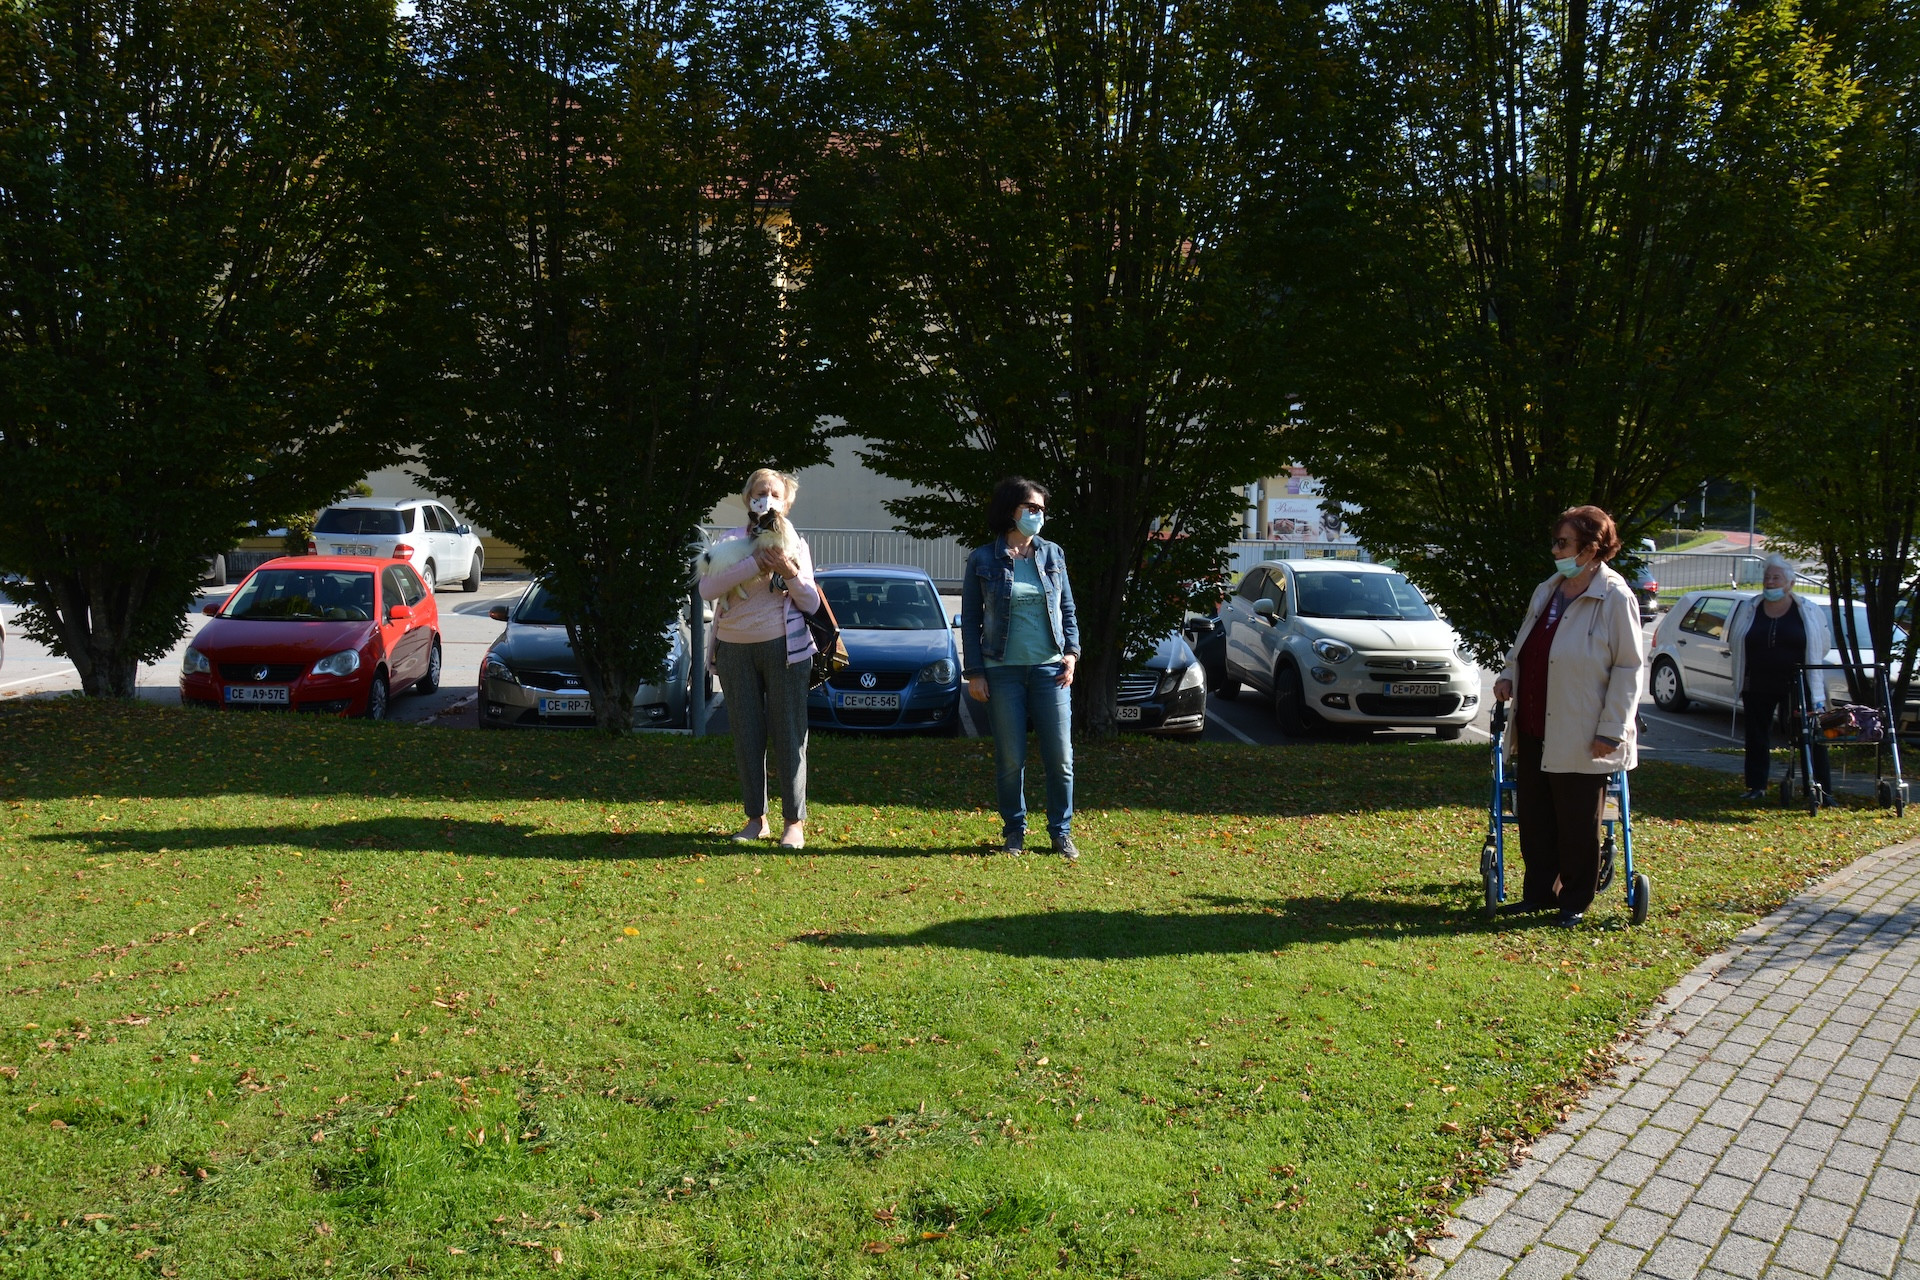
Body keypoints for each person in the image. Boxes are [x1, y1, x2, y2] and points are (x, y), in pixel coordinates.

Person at [1492, 506, 1646, 927]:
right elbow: (1524, 645)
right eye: (1555, 541)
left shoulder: (1615, 597)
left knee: (1578, 824)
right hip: (1536, 723)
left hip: (1584, 730)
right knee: (1536, 817)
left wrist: (1612, 730)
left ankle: (1575, 900)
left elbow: (1630, 668)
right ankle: (1539, 894)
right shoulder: (1549, 589)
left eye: (1564, 543)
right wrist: (1507, 675)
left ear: (1592, 548)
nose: (1555, 550)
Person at [961, 477, 1080, 860]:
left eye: (1042, 510)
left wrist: (1072, 654)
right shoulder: (983, 558)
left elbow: (1067, 610)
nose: (1038, 515)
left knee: (1060, 757)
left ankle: (1061, 832)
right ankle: (1015, 830)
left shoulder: (1053, 554)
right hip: (1002, 672)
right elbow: (970, 620)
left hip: (1051, 671)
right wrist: (975, 672)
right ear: (1010, 509)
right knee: (1010, 759)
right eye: (1032, 508)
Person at [700, 469, 818, 849]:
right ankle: (756, 819)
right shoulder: (731, 539)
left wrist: (790, 572)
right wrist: (755, 565)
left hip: (784, 649)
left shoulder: (794, 542)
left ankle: (793, 823)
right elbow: (707, 588)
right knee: (747, 734)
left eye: (773, 493)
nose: (765, 498)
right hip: (734, 649)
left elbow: (811, 602)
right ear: (747, 498)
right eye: (759, 492)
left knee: (789, 732)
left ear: (786, 502)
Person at [1726, 553, 1832, 803]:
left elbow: (1822, 644)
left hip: (1798, 683)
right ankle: (1756, 786)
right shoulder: (1750, 607)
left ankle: (1819, 789)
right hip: (1758, 682)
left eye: (1776, 577)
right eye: (1767, 577)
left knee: (1810, 735)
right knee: (1757, 737)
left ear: (1790, 583)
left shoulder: (1807, 609)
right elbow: (1736, 639)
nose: (1770, 582)